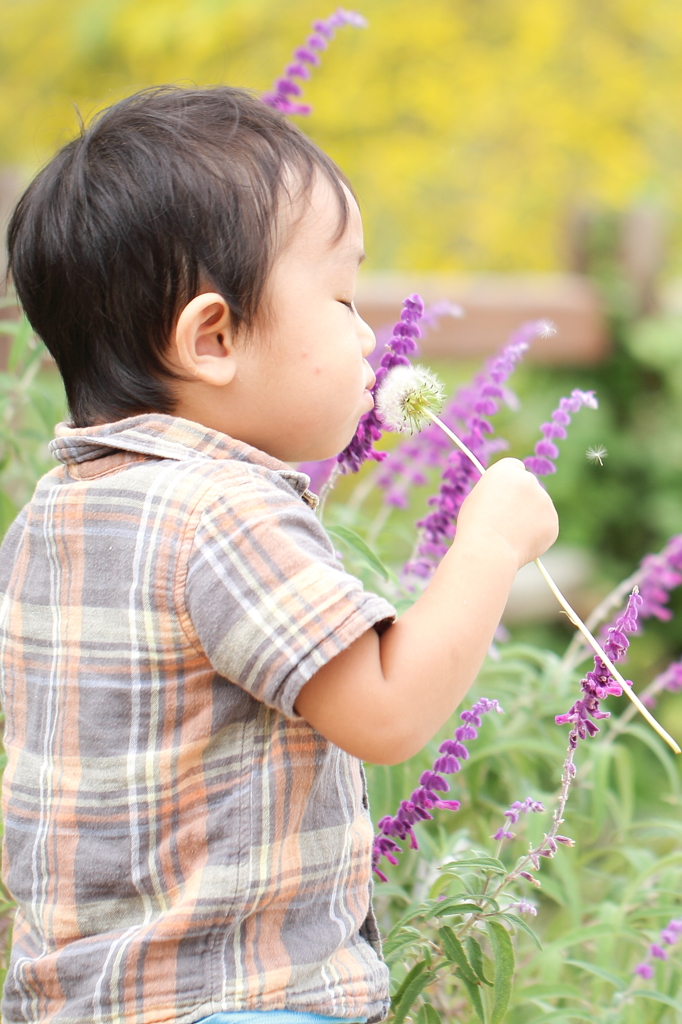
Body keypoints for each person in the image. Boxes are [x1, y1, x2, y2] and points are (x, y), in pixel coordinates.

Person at [0, 86, 558, 1024]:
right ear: (212, 337)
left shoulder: (46, 521)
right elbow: (383, 712)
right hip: (245, 1001)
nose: (366, 333)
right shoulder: (222, 511)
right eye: (341, 296)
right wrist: (491, 542)